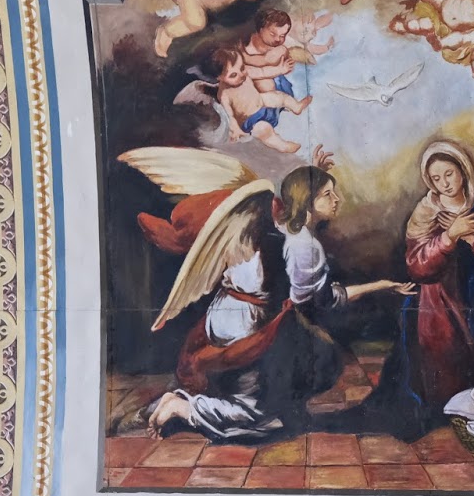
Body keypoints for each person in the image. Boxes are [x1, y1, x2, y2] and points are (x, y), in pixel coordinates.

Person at [141, 160, 415, 441]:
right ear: (307, 200)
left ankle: (175, 404)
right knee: (261, 417)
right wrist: (380, 285)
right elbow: (318, 301)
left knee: (263, 387)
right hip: (247, 324)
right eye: (327, 194)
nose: (337, 200)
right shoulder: (306, 245)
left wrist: (311, 175)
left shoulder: (277, 222)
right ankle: (179, 406)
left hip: (225, 311)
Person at [367, 139, 474, 436]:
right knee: (445, 364)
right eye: (435, 178)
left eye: (449, 174)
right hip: (440, 303)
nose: (444, 183)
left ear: (463, 170)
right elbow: (417, 266)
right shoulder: (425, 213)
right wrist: (449, 237)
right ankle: (448, 416)